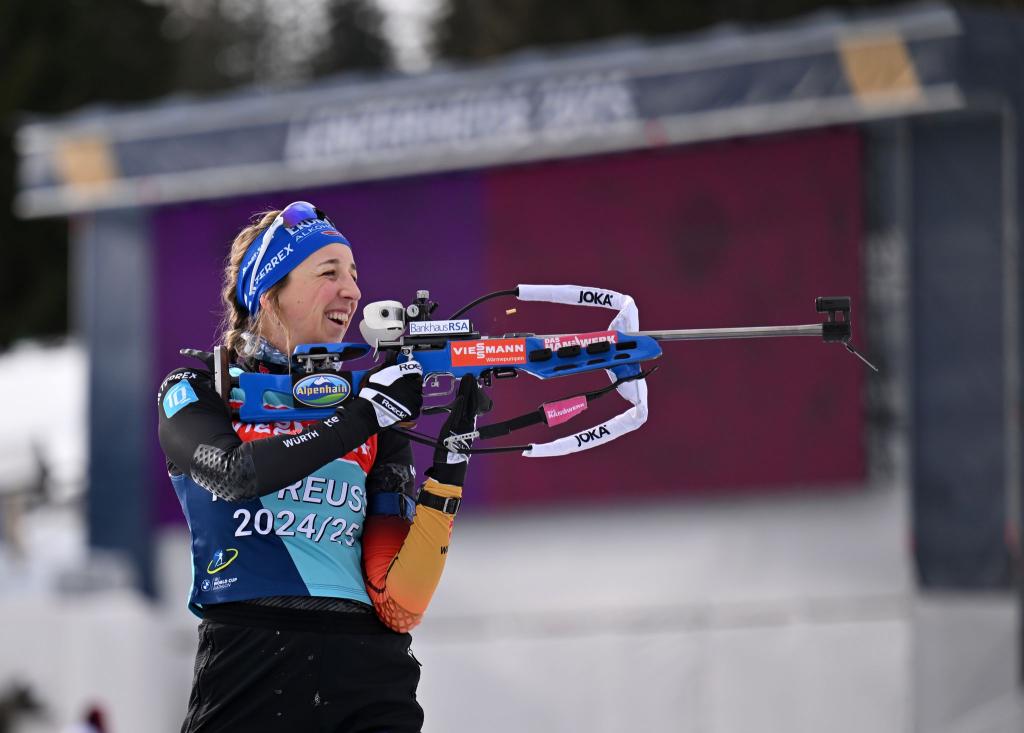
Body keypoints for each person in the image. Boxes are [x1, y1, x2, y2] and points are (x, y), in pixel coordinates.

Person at [157, 201, 488, 733]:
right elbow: (235, 474)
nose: (352, 291)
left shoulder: (370, 409)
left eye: (354, 274)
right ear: (270, 294)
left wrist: (450, 465)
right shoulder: (197, 389)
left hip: (369, 671)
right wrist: (365, 416)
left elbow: (400, 601)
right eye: (328, 272)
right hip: (249, 661)